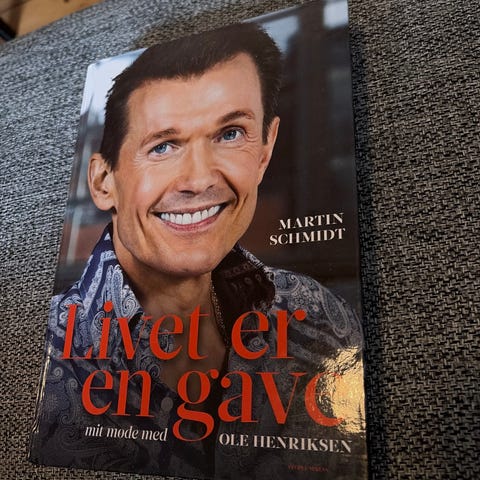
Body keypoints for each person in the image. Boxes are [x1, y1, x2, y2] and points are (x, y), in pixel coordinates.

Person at [30, 22, 365, 479]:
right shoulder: (50, 348)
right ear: (104, 181)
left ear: (265, 149)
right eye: (163, 146)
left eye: (230, 134)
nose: (199, 179)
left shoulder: (322, 316)